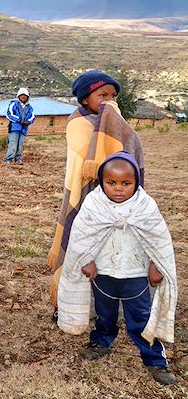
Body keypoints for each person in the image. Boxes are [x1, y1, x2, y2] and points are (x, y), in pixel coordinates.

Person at [56, 153, 177, 385]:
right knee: (105, 313)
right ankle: (101, 341)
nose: (118, 189)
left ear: (137, 182)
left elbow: (158, 239)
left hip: (136, 273)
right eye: (111, 183)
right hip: (104, 272)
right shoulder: (94, 204)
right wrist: (87, 260)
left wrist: (156, 263)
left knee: (140, 318)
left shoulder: (145, 206)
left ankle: (155, 359)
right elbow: (82, 237)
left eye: (126, 183)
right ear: (102, 181)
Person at [48, 70, 144, 316]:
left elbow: (127, 152)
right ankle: (66, 303)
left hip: (113, 195)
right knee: (78, 248)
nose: (110, 101)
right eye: (103, 95)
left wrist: (112, 121)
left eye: (113, 96)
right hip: (84, 195)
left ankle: (101, 306)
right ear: (84, 99)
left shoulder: (113, 123)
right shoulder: (78, 122)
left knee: (106, 252)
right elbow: (88, 162)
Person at [4, 87, 35, 164]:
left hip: (24, 128)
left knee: (20, 144)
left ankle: (18, 158)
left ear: (28, 97)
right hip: (15, 127)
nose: (23, 97)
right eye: (22, 96)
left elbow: (32, 116)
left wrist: (28, 121)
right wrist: (18, 120)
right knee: (13, 143)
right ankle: (9, 159)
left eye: (25, 96)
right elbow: (9, 114)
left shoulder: (29, 107)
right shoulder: (14, 104)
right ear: (18, 97)